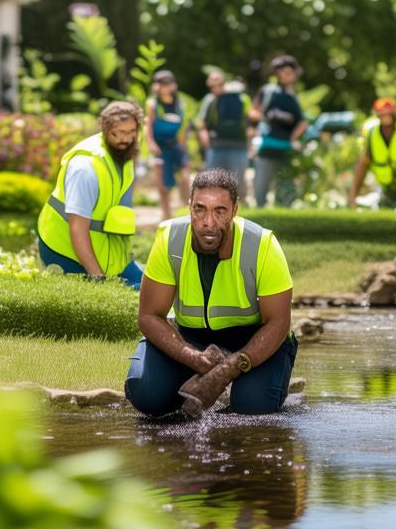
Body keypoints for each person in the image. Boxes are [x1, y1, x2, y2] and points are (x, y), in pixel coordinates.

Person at [125, 168, 298, 417]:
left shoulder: (263, 245)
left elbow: (279, 322)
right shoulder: (169, 239)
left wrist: (229, 368)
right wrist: (193, 358)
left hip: (253, 338)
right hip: (191, 336)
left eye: (220, 211)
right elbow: (149, 316)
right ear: (189, 206)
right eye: (200, 209)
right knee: (147, 394)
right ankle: (189, 382)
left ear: (235, 210)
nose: (208, 222)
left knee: (252, 407)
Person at [36, 100, 144, 288]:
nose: (125, 139)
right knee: (136, 294)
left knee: (151, 288)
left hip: (102, 248)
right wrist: (98, 278)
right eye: (117, 133)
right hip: (65, 251)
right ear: (105, 129)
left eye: (131, 132)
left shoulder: (121, 157)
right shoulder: (85, 169)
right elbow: (77, 228)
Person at [250, 55, 308, 208]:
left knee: (285, 190)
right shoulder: (268, 91)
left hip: (285, 150)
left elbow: (302, 123)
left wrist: (292, 138)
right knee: (260, 189)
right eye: (284, 72)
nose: (287, 76)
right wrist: (264, 120)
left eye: (290, 73)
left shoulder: (293, 97)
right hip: (266, 147)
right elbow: (253, 112)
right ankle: (260, 213)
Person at [194, 69, 252, 195]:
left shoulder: (240, 98)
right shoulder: (211, 100)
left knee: (237, 184)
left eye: (219, 84)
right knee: (213, 182)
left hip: (237, 146)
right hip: (217, 146)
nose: (216, 88)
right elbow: (202, 125)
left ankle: (239, 205)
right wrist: (207, 143)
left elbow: (249, 121)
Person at [145, 69, 190, 221]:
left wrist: (184, 145)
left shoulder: (180, 104)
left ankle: (187, 212)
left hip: (176, 145)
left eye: (166, 83)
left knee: (185, 178)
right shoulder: (152, 104)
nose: (163, 87)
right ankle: (166, 215)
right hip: (160, 147)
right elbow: (148, 126)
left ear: (172, 85)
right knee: (163, 185)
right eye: (160, 84)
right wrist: (151, 143)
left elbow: (184, 126)